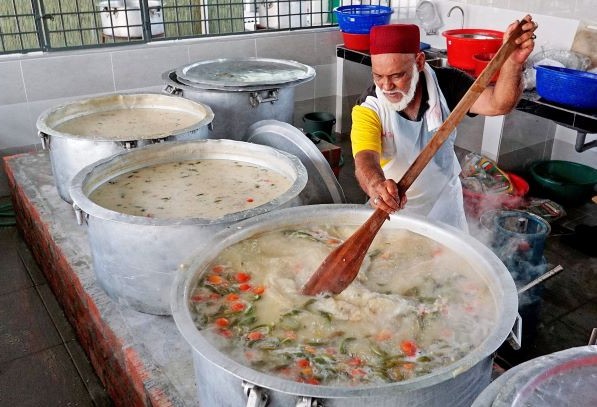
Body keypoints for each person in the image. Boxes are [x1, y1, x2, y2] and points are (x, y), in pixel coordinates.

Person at [350, 15, 538, 231]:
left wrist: (513, 63)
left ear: (419, 62)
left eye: (397, 75)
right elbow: (365, 158)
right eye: (378, 76)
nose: (386, 86)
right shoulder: (369, 106)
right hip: (393, 207)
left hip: (445, 204)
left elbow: (497, 104)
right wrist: (376, 186)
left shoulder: (447, 84)